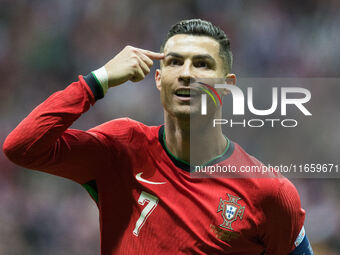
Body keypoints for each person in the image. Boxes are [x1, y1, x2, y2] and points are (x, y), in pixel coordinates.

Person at [3, 19, 313, 255]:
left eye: (202, 64)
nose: (186, 73)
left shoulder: (268, 192)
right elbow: (22, 148)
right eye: (175, 62)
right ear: (159, 78)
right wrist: (98, 80)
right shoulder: (121, 148)